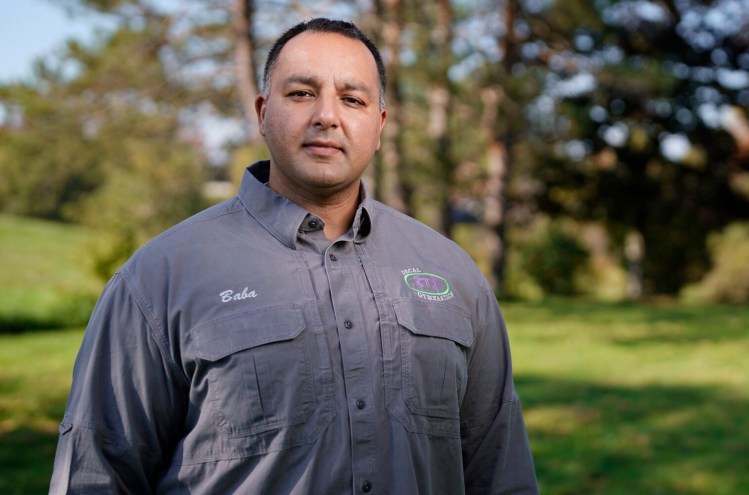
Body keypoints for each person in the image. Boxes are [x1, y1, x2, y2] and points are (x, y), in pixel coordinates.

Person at [50, 17, 538, 494]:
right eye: (302, 93)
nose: (327, 115)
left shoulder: (452, 272)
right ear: (263, 112)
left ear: (380, 124)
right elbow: (96, 472)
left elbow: (499, 468)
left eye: (352, 99)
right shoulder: (160, 278)